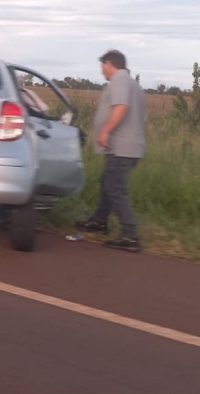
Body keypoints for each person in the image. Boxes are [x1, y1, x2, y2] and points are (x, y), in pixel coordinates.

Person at [76, 49, 147, 252]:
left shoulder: (120, 80)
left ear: (110, 64)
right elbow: (141, 121)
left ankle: (130, 235)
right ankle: (99, 221)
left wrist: (105, 131)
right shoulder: (135, 86)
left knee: (116, 189)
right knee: (107, 182)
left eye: (102, 66)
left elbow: (121, 107)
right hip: (129, 146)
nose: (102, 71)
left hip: (122, 147)